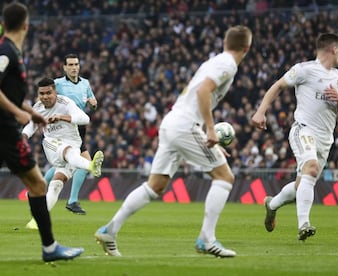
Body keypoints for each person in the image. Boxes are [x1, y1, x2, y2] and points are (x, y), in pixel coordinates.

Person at [94, 25, 253, 257]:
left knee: (155, 185)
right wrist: (210, 129)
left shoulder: (214, 61)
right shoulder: (228, 64)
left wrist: (206, 132)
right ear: (247, 47)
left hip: (172, 123)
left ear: (225, 43)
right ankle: (206, 239)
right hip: (185, 125)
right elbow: (203, 92)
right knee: (225, 177)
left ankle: (110, 230)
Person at [0, 2, 83, 262]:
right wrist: (21, 114)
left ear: (4, 24)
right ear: (26, 24)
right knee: (36, 184)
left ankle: (50, 248)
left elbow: (7, 92)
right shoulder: (6, 52)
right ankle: (50, 248)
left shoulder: (10, 51)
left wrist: (31, 112)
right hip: (3, 129)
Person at [251, 33, 338, 241]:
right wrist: (261, 111)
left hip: (325, 139)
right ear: (333, 49)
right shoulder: (304, 69)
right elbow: (278, 85)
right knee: (311, 169)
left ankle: (272, 205)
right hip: (303, 129)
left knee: (301, 185)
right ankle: (304, 225)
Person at [24, 77, 104, 229]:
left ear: (55, 91)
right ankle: (91, 166)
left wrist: (62, 117)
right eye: (42, 94)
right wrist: (23, 137)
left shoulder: (65, 103)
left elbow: (85, 118)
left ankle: (37, 221)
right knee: (65, 151)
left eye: (48, 93)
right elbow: (31, 126)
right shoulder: (38, 107)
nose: (45, 96)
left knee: (56, 185)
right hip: (51, 144)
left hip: (74, 143)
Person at [43, 53, 100, 215]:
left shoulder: (85, 84)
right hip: (63, 128)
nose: (74, 68)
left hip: (78, 127)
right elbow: (46, 99)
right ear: (65, 67)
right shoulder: (57, 84)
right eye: (71, 65)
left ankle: (38, 187)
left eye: (76, 65)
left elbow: (92, 102)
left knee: (63, 165)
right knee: (84, 161)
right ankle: (72, 200)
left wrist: (93, 103)